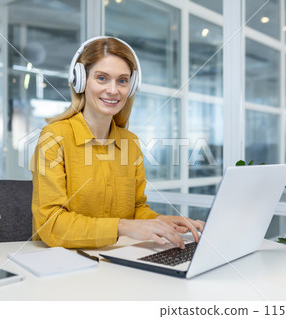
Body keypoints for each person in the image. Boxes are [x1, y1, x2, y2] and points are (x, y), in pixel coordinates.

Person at [31, 36, 204, 249]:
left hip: (117, 260)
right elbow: (51, 224)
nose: (113, 90)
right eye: (102, 78)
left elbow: (136, 209)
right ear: (81, 80)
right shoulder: (54, 137)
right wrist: (121, 227)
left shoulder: (130, 143)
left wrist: (159, 221)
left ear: (131, 87)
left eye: (122, 80)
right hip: (65, 266)